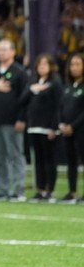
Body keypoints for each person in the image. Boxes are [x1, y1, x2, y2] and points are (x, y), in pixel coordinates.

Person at [0, 38, 27, 201]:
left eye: (4, 49)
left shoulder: (19, 72)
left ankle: (18, 189)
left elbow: (24, 98)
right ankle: (2, 190)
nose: (1, 52)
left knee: (15, 155)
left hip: (12, 121)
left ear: (13, 52)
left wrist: (21, 119)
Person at [20, 54, 61, 202]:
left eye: (45, 64)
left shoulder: (55, 83)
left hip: (48, 127)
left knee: (49, 159)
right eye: (39, 64)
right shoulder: (33, 82)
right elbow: (22, 100)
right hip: (33, 126)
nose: (42, 67)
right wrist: (32, 89)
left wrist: (54, 127)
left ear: (51, 67)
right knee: (38, 160)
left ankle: (51, 189)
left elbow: (58, 106)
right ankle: (41, 189)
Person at [59, 53, 84, 203]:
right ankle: (72, 191)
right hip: (67, 131)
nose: (74, 68)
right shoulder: (67, 87)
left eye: (77, 64)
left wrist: (73, 126)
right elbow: (61, 108)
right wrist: (62, 124)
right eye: (72, 65)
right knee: (71, 162)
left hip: (80, 130)